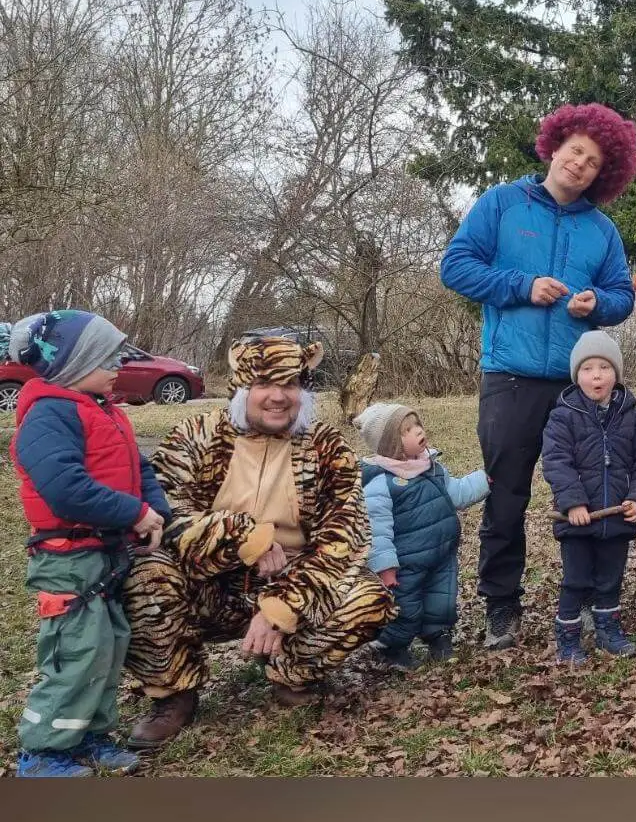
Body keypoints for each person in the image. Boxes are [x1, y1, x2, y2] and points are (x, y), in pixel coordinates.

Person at [123, 336, 396, 749]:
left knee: (368, 598)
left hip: (292, 577)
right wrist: (244, 537)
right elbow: (163, 519)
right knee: (144, 573)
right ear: (241, 389)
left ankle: (291, 671)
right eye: (265, 385)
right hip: (209, 585)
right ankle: (174, 694)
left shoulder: (326, 445)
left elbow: (344, 537)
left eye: (290, 385)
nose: (278, 397)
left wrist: (280, 605)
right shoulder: (197, 434)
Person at [439, 102, 636, 650]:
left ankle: (601, 599)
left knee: (596, 486)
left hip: (579, 385)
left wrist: (598, 301)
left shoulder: (602, 230)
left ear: (604, 173)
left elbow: (623, 298)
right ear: (554, 147)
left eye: (593, 161)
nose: (580, 164)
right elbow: (455, 266)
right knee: (508, 493)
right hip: (510, 376)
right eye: (575, 151)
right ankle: (501, 606)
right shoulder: (502, 203)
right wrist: (521, 285)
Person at [9, 311, 169, 777]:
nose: (119, 363)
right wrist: (134, 513)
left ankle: (89, 735)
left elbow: (140, 470)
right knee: (75, 650)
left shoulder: (105, 408)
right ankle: (42, 752)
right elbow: (65, 488)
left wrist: (156, 509)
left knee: (109, 644)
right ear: (73, 364)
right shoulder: (47, 415)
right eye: (107, 356)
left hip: (107, 553)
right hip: (68, 557)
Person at [542, 331, 636, 664]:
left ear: (617, 374)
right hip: (577, 521)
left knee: (610, 579)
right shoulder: (563, 415)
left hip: (616, 519)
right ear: (576, 375)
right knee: (576, 580)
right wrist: (573, 502)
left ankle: (608, 630)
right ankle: (568, 638)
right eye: (587, 369)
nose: (596, 375)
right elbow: (556, 461)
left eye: (604, 367)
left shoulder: (634, 416)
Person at [353, 402, 489, 670]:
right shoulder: (381, 482)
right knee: (405, 608)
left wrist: (485, 480)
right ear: (392, 442)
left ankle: (438, 638)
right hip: (405, 563)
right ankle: (393, 647)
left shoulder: (432, 468)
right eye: (407, 430)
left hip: (441, 555)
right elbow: (376, 529)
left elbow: (458, 493)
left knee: (442, 600)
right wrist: (385, 566)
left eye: (417, 425)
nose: (418, 431)